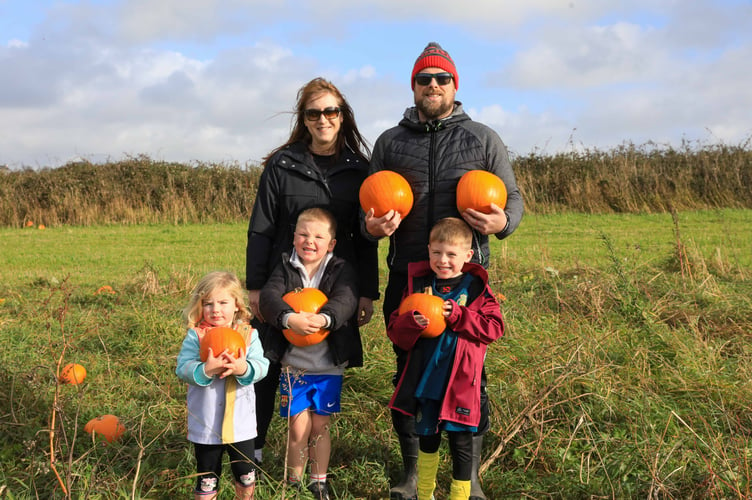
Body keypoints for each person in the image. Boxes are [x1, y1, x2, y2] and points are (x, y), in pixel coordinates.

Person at [364, 42, 524, 500]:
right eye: (423, 79)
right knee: (409, 374)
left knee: (469, 375)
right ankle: (414, 473)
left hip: (465, 280)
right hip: (409, 277)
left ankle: (468, 478)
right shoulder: (390, 142)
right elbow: (366, 208)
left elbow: (511, 200)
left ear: (455, 85)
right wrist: (371, 226)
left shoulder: (482, 138)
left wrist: (503, 222)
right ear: (412, 86)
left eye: (441, 79)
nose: (432, 85)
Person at [245, 77, 378, 475]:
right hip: (283, 279)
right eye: (314, 112)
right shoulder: (282, 166)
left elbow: (365, 236)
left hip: (338, 281)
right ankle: (254, 447)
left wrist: (367, 292)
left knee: (326, 355)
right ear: (304, 119)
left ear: (343, 116)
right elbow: (261, 227)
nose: (323, 118)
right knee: (268, 363)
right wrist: (254, 287)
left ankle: (315, 457)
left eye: (331, 111)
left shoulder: (360, 169)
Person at [387, 218, 504, 500]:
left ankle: (459, 495)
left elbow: (494, 328)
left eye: (451, 254)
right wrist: (413, 322)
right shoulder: (418, 285)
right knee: (428, 439)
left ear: (468, 256)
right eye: (437, 253)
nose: (443, 260)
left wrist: (460, 316)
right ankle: (425, 493)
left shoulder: (475, 288)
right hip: (427, 381)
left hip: (460, 384)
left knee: (461, 442)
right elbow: (396, 331)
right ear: (428, 251)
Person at [258, 207, 362, 500]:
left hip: (328, 364)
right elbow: (269, 297)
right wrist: (288, 319)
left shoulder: (341, 269)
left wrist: (326, 318)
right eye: (303, 234)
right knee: (297, 424)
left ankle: (319, 482)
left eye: (318, 236)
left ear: (331, 244)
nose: (309, 241)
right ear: (293, 238)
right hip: (294, 366)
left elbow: (347, 298)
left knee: (320, 424)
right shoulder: (284, 267)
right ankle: (293, 480)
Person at [176, 271, 270, 500]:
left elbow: (262, 365)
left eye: (223, 302)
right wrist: (205, 370)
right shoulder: (195, 337)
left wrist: (243, 369)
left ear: (237, 305)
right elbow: (183, 368)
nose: (215, 309)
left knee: (245, 472)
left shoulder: (249, 335)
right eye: (208, 304)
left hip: (241, 423)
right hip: (206, 422)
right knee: (208, 474)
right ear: (200, 306)